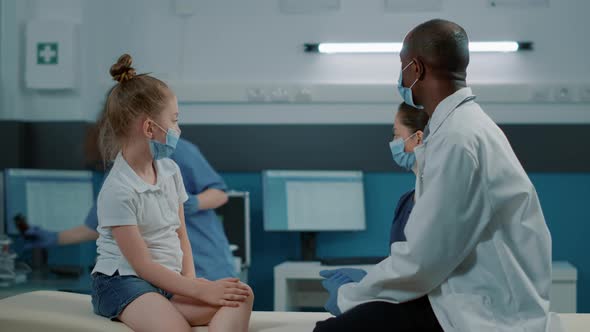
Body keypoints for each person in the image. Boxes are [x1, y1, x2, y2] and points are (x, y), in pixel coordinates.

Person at [314, 19, 559, 332]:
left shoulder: (458, 138)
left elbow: (423, 259)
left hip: (484, 316)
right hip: (471, 299)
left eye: (402, 66)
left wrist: (354, 294)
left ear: (415, 69)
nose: (401, 76)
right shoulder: (464, 128)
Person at [90, 54, 252, 331]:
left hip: (166, 280)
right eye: (174, 120)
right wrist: (197, 291)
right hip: (124, 282)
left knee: (240, 296)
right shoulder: (118, 189)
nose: (178, 129)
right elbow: (141, 265)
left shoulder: (169, 170)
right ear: (150, 128)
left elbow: (181, 233)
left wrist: (190, 282)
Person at [25, 124, 236, 281]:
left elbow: (220, 193)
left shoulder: (177, 155)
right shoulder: (119, 176)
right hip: (162, 273)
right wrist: (53, 238)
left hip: (206, 261)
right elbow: (101, 224)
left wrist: (193, 202)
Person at [319, 102, 429, 298]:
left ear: (418, 138)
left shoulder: (435, 198)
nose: (393, 142)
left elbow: (419, 269)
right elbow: (400, 264)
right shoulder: (407, 201)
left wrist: (361, 288)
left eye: (396, 134)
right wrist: (368, 279)